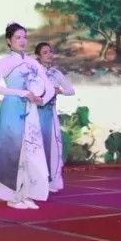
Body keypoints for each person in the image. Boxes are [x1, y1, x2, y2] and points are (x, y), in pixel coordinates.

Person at [0, 23, 55, 210]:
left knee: (31, 152)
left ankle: (27, 193)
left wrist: (41, 100)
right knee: (14, 151)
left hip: (31, 110)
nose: (22, 41)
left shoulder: (33, 62)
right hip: (13, 109)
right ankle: (12, 196)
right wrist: (22, 93)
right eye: (17, 37)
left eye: (24, 37)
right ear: (9, 41)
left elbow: (48, 87)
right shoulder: (4, 62)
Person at [35, 42, 72, 193]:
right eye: (45, 52)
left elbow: (71, 90)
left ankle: (52, 180)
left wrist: (60, 91)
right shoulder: (35, 72)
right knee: (36, 147)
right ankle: (36, 182)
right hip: (35, 114)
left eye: (50, 51)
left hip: (51, 114)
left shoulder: (56, 73)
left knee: (55, 147)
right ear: (38, 56)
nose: (49, 55)